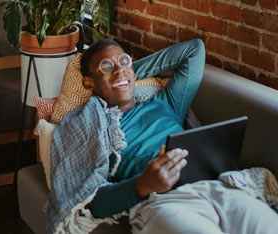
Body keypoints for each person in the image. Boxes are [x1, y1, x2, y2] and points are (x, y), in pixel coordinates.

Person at [46, 39, 278, 234]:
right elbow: (88, 201)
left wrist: (126, 74)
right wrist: (141, 184)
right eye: (105, 66)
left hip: (218, 186)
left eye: (124, 61)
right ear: (88, 82)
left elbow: (194, 50)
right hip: (163, 202)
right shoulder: (84, 126)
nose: (118, 69)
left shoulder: (166, 101)